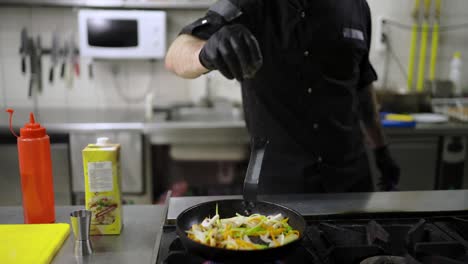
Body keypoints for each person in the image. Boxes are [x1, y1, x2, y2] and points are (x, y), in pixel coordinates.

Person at [165, 0, 400, 193]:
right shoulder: (247, 5)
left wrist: (381, 149)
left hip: (351, 178)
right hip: (279, 184)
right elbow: (176, 54)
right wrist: (205, 53)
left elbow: (361, 87)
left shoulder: (356, 7)